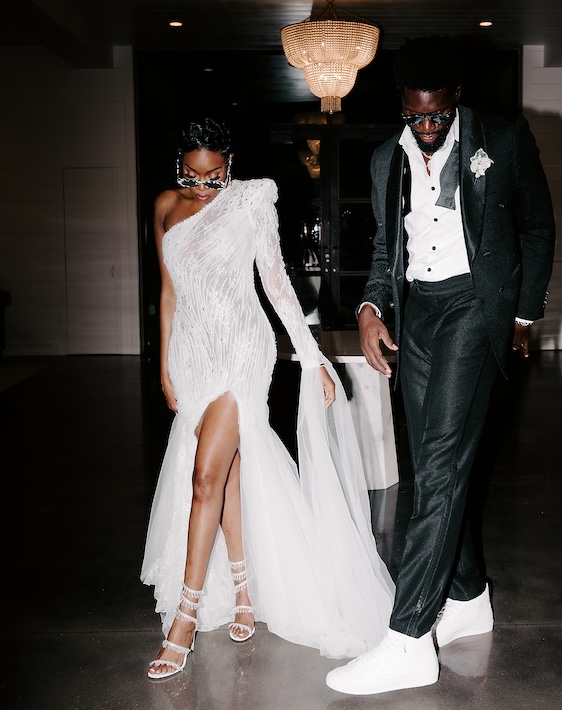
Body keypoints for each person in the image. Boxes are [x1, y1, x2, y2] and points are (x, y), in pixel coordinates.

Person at [326, 35, 556, 695]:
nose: (426, 128)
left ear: (455, 101)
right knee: (430, 471)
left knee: (442, 473)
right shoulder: (384, 160)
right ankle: (468, 596)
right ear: (401, 104)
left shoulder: (501, 140)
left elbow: (538, 226)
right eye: (414, 115)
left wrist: (522, 316)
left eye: (436, 115)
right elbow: (383, 245)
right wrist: (370, 307)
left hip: (473, 311)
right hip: (416, 315)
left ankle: (406, 640)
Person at [141, 118, 394, 679]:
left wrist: (311, 357)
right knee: (223, 472)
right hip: (192, 353)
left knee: (205, 477)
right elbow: (167, 291)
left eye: (215, 173)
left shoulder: (251, 201)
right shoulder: (164, 204)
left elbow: (277, 283)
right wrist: (163, 367)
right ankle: (242, 589)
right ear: (179, 164)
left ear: (230, 161)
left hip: (240, 351)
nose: (204, 185)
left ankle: (183, 619)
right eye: (193, 173)